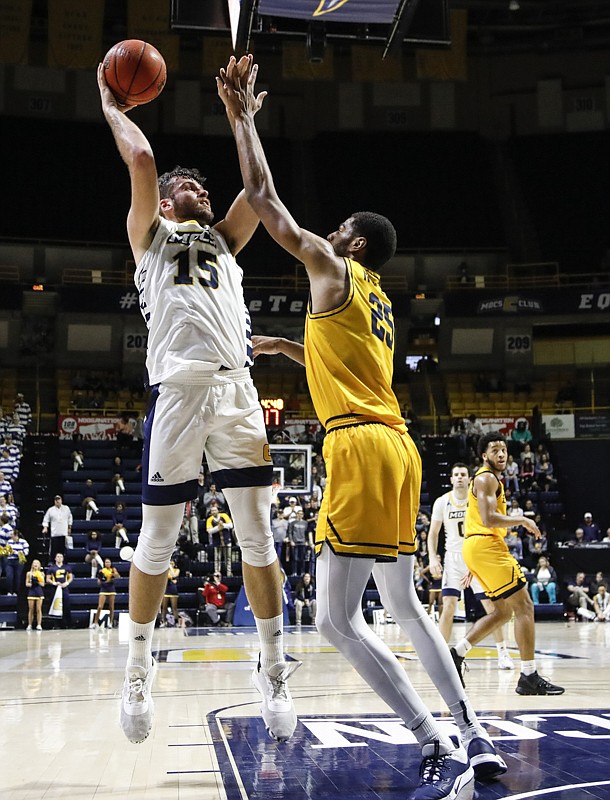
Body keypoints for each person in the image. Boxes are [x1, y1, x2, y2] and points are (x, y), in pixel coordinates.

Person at [218, 54, 506, 795]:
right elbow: (341, 356)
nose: (330, 230)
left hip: (356, 447)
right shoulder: (374, 299)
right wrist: (286, 345)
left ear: (352, 243)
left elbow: (262, 199)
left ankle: (431, 739)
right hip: (398, 445)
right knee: (403, 604)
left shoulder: (331, 265)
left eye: (339, 227)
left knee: (336, 623)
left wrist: (243, 118)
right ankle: (474, 733)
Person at [97, 61, 298, 747]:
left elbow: (258, 188)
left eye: (201, 185)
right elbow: (146, 157)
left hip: (237, 388)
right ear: (163, 204)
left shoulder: (226, 240)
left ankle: (273, 668)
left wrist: (242, 117)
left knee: (258, 538)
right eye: (190, 186)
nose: (201, 190)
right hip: (179, 391)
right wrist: (110, 105)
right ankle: (136, 668)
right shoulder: (149, 238)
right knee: (156, 540)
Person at [448, 432, 564, 696]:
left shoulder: (487, 478)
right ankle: (529, 675)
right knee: (524, 606)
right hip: (485, 546)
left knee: (502, 612)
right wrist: (522, 520)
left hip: (477, 547)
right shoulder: (487, 478)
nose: (501, 454)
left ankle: (457, 654)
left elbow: (478, 518)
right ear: (484, 455)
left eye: (504, 450)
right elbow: (489, 519)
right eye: (495, 450)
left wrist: (473, 561)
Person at [428, 463, 514, 671]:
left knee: (492, 608)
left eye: (463, 474)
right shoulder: (442, 502)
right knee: (447, 606)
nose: (459, 477)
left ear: (469, 479)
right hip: (453, 559)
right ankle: (442, 657)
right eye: (455, 474)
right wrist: (432, 557)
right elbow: (433, 533)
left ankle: (503, 653)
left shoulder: (476, 500)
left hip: (476, 555)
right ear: (451, 479)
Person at [91, 558, 120, 629]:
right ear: (104, 563)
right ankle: (95, 623)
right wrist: (101, 579)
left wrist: (113, 574)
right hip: (103, 589)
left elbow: (118, 576)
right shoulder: (102, 570)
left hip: (111, 589)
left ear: (110, 563)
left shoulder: (113, 569)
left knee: (111, 607)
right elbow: (98, 582)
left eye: (108, 562)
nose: (107, 563)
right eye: (106, 562)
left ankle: (110, 623)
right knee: (100, 606)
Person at [46, 552, 73, 628]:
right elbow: (47, 579)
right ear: (55, 558)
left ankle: (67, 623)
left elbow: (70, 577)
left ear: (63, 558)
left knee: (66, 605)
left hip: (64, 588)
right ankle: (56, 623)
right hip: (55, 589)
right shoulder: (51, 568)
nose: (59, 558)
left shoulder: (67, 567)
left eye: (61, 557)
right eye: (58, 557)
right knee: (55, 605)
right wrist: (54, 583)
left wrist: (66, 583)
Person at [4, 529, 29, 595]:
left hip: (19, 562)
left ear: (16, 535)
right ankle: (9, 591)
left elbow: (26, 553)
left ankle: (16, 591)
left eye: (12, 534)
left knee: (17, 576)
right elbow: (8, 551)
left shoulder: (23, 542)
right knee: (9, 576)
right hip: (10, 561)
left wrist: (15, 552)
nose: (10, 535)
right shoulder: (9, 541)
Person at [25, 559, 45, 631]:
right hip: (31, 591)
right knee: (31, 609)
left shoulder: (41, 574)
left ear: (39, 565)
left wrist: (38, 581)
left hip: (39, 591)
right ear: (32, 565)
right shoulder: (29, 573)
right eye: (34, 563)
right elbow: (26, 584)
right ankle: (30, 624)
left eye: (37, 563)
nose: (35, 564)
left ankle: (39, 624)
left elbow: (43, 584)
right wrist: (31, 583)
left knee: (38, 609)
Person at [160, 559, 180, 627]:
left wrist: (170, 567)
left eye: (172, 563)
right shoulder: (165, 571)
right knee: (164, 607)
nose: (171, 564)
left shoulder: (176, 570)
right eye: (170, 563)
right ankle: (163, 621)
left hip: (173, 589)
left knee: (174, 607)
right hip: (165, 589)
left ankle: (177, 622)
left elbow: (174, 575)